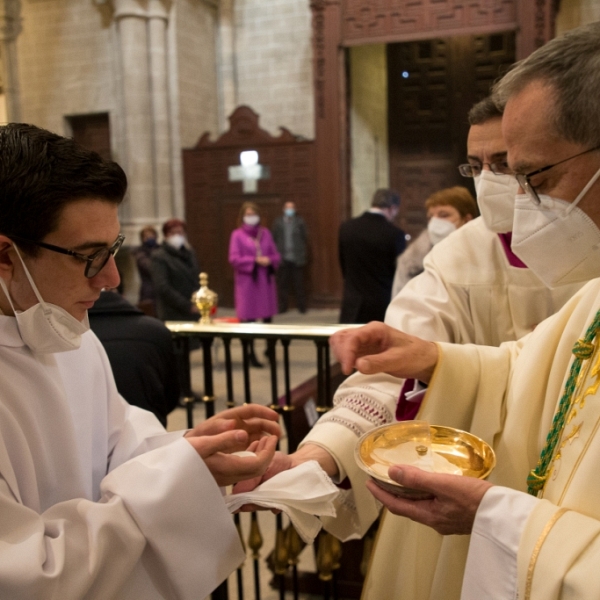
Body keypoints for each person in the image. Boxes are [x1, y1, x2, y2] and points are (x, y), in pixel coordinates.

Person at [249, 92, 589, 599]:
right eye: (478, 166)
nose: (492, 181)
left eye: (511, 166)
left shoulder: (590, 239)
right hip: (458, 490)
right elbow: (399, 367)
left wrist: (437, 362)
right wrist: (324, 455)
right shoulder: (459, 255)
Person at [328, 22, 600, 600]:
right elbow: (528, 369)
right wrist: (434, 360)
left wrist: (504, 520)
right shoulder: (464, 255)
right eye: (483, 169)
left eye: (532, 174)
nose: (512, 194)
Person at [0, 123, 281, 599]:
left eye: (113, 250)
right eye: (89, 257)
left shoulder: (70, 334)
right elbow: (29, 575)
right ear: (6, 255)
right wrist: (175, 480)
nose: (111, 278)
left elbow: (118, 448)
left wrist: (192, 452)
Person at [88, 287, 180, 426]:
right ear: (122, 294)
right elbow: (172, 394)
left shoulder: (67, 335)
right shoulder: (156, 331)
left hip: (89, 433)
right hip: (150, 428)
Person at [392, 186, 478, 296]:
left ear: (467, 219)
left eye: (444, 215)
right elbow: (400, 303)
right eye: (430, 217)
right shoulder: (412, 261)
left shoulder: (485, 254)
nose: (435, 221)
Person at [338, 188, 406, 323]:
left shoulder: (346, 227)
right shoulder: (394, 234)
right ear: (392, 208)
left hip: (352, 302)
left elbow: (343, 264)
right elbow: (399, 272)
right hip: (381, 303)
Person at [229, 201, 281, 367]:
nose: (251, 217)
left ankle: (270, 350)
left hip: (265, 283)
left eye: (254, 214)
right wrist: (254, 260)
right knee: (249, 321)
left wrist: (269, 260)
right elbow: (234, 258)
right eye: (248, 214)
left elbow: (276, 255)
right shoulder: (237, 235)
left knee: (268, 320)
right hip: (248, 284)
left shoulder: (265, 233)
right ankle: (250, 353)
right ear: (243, 216)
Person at [151, 218, 200, 322]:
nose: (177, 236)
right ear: (165, 235)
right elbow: (163, 287)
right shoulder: (159, 256)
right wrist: (187, 306)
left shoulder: (190, 253)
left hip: (194, 311)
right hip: (173, 312)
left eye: (180, 232)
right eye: (173, 233)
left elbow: (196, 278)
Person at [271, 200, 308, 313]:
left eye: (292, 208)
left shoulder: (300, 222)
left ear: (295, 210)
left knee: (299, 284)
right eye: (287, 208)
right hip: (282, 258)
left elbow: (305, 237)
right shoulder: (278, 222)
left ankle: (302, 307)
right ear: (283, 209)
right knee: (283, 285)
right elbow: (274, 238)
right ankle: (283, 306)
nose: (289, 210)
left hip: (297, 258)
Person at [133, 225, 159, 316]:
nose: (149, 238)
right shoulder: (140, 252)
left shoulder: (161, 249)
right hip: (148, 291)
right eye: (146, 236)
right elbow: (148, 267)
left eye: (151, 235)